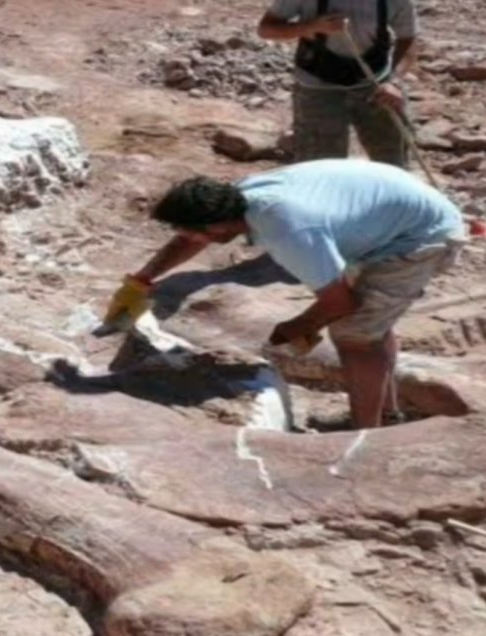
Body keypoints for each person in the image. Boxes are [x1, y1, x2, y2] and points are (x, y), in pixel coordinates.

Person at [102, 160, 466, 429]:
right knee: (371, 324)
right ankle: (383, 414)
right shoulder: (236, 199)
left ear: (217, 225)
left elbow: (341, 302)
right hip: (385, 218)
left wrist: (293, 327)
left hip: (420, 237)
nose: (192, 241)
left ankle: (366, 434)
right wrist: (143, 279)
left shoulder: (288, 231)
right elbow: (186, 239)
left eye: (198, 234)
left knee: (355, 336)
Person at [257, 0, 417, 166]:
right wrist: (310, 27)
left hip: (376, 84)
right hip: (318, 87)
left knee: (392, 161)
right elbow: (266, 29)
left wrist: (394, 82)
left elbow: (408, 39)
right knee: (320, 166)